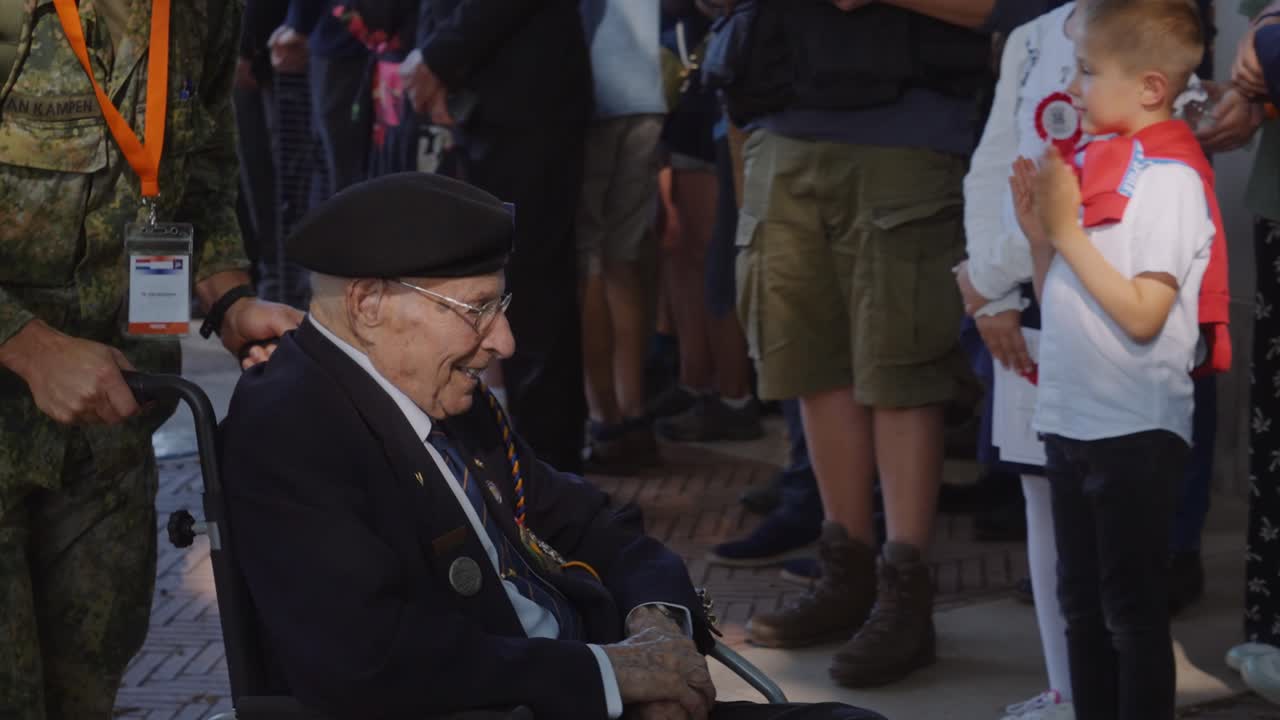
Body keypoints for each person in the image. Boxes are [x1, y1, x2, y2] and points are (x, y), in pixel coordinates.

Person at [219, 171, 882, 720]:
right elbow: (366, 661)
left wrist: (656, 626)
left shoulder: (441, 390)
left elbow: (599, 525)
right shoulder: (292, 425)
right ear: (368, 304)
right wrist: (609, 675)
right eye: (477, 309)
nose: (504, 341)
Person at [0, 0, 302, 716]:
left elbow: (201, 168)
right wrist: (28, 346)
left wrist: (227, 296)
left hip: (112, 425)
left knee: (86, 681)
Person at [730, 0, 1009, 687]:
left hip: (906, 140)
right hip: (781, 124)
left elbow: (991, 10)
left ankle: (905, 598)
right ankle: (846, 576)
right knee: (812, 367)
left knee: (901, 368)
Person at [1014, 1, 1217, 715]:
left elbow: (1142, 315)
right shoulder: (1098, 169)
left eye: (1088, 70)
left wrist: (1065, 232)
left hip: (1132, 432)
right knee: (1082, 611)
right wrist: (1042, 238)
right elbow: (1062, 302)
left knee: (1132, 614)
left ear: (1151, 88)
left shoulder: (1170, 182)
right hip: (1071, 421)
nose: (1072, 86)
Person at [399, 0, 593, 473]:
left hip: (528, 103)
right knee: (506, 287)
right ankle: (531, 462)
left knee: (533, 293)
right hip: (490, 101)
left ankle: (549, 473)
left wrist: (437, 57)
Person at [577, 0, 666, 470]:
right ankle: (632, 414)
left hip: (593, 91)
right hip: (644, 88)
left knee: (588, 260)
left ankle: (605, 417)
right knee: (622, 258)